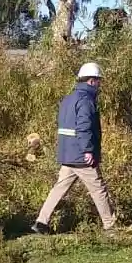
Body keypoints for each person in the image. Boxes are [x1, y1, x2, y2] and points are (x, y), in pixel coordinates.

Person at [32, 63, 116, 234]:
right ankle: (111, 227)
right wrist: (88, 151)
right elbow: (83, 127)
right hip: (81, 156)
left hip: (67, 153)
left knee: (59, 189)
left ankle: (41, 222)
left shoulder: (68, 99)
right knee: (99, 190)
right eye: (99, 80)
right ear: (92, 81)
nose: (100, 84)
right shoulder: (86, 101)